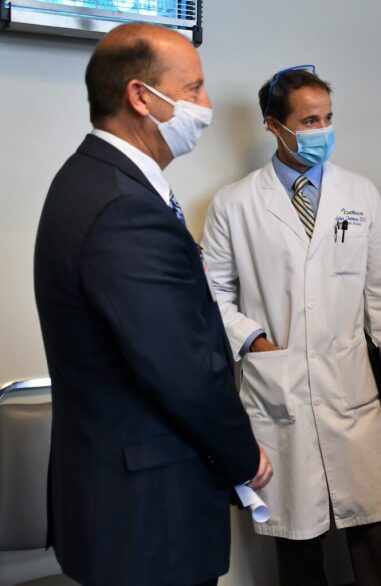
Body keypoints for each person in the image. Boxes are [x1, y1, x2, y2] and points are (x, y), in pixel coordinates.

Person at [33, 24, 272, 586]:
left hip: (118, 493)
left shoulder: (89, 180)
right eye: (193, 89)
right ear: (141, 96)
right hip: (148, 511)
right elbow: (181, 368)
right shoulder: (122, 207)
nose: (206, 105)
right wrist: (243, 455)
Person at [201, 65, 381, 586]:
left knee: (376, 533)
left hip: (352, 388)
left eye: (328, 118)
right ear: (274, 125)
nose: (322, 131)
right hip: (280, 386)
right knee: (299, 540)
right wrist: (255, 340)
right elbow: (212, 296)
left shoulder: (360, 195)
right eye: (309, 120)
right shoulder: (234, 204)